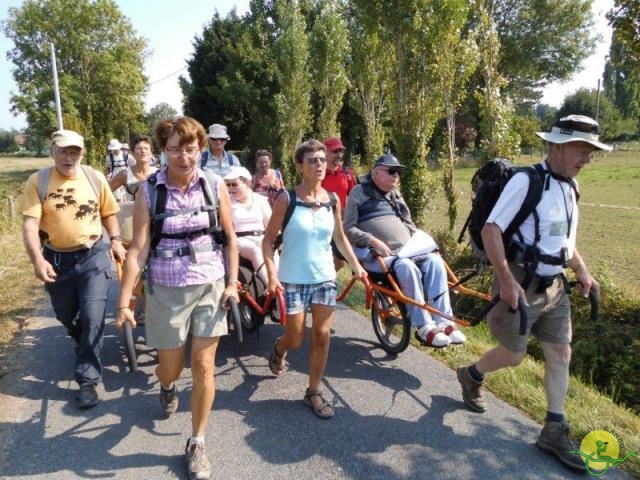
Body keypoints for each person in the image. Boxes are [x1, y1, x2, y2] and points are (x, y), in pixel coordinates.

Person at [456, 115, 610, 472]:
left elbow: (565, 242)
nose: (587, 158)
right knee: (514, 355)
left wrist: (582, 270)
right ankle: (471, 374)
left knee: (560, 352)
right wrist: (507, 280)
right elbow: (493, 230)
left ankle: (554, 429)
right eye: (582, 149)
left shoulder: (572, 188)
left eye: (591, 151)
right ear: (557, 145)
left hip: (555, 284)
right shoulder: (527, 181)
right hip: (520, 281)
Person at [116, 116, 239, 479]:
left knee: (203, 366)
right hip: (166, 289)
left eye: (190, 148)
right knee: (171, 367)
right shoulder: (149, 191)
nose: (184, 157)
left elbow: (229, 238)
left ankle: (197, 442)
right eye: (174, 150)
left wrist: (232, 283)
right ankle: (167, 387)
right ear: (162, 150)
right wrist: (124, 302)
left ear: (200, 147)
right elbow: (138, 250)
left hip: (210, 285)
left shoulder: (214, 185)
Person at [21, 129, 126, 409]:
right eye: (64, 151)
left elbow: (109, 213)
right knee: (66, 314)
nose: (69, 157)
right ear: (52, 151)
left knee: (93, 315)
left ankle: (88, 379)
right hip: (57, 260)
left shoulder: (94, 177)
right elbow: (30, 225)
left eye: (75, 151)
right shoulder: (38, 181)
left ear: (82, 152)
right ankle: (83, 338)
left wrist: (115, 240)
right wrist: (37, 259)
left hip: (93, 255)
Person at [262, 139, 366, 420]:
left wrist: (357, 265)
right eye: (312, 160)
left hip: (324, 277)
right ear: (300, 166)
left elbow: (340, 237)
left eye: (322, 159)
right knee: (295, 338)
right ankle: (279, 349)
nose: (320, 164)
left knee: (321, 336)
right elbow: (268, 242)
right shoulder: (287, 199)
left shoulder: (332, 200)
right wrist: (272, 274)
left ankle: (313, 391)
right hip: (293, 279)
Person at [343, 154, 466, 348]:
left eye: (398, 172)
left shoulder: (395, 194)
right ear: (376, 173)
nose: (396, 176)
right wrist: (373, 241)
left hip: (407, 251)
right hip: (378, 256)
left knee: (434, 261)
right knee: (406, 266)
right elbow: (348, 229)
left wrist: (422, 243)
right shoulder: (359, 192)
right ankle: (425, 327)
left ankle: (444, 321)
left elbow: (410, 225)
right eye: (391, 171)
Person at [225, 166, 277, 286]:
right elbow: (229, 230)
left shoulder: (261, 200)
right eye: (228, 185)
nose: (230, 188)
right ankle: (270, 285)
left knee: (273, 250)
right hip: (240, 240)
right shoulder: (227, 202)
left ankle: (279, 283)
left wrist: (273, 240)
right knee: (254, 250)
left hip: (262, 237)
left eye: (234, 184)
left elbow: (270, 225)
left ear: (247, 183)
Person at [322, 137, 357, 271]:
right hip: (322, 222)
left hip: (341, 222)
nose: (339, 155)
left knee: (339, 260)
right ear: (325, 152)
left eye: (341, 151)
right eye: (335, 151)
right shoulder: (317, 174)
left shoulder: (346, 173)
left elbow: (354, 197)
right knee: (333, 259)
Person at [108, 135, 158, 202]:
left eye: (146, 148)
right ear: (132, 153)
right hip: (131, 211)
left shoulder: (158, 173)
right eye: (139, 148)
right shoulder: (125, 174)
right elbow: (105, 193)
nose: (143, 151)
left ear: (151, 153)